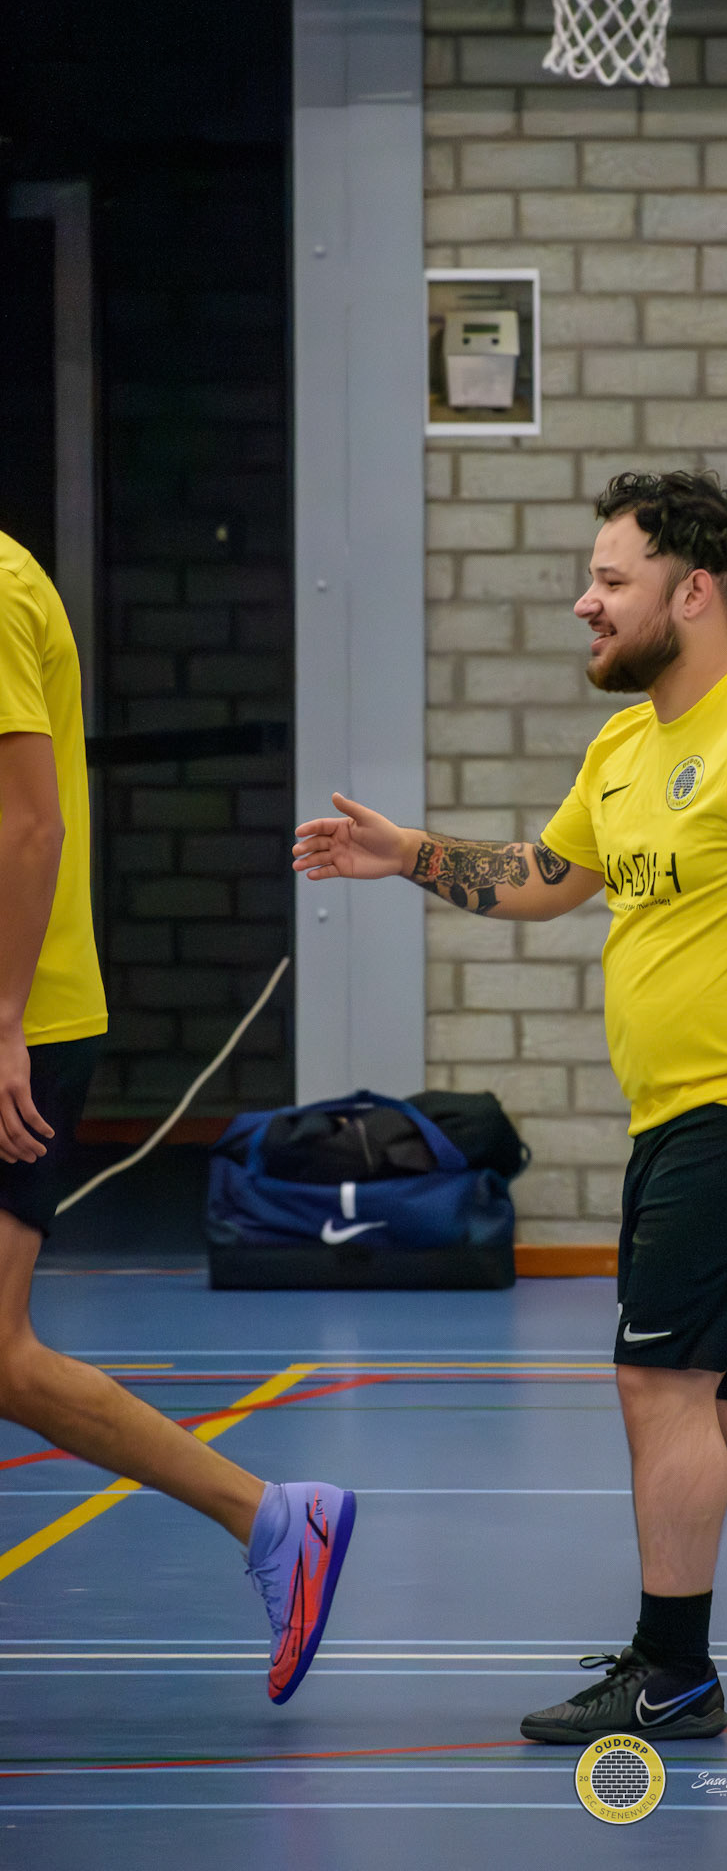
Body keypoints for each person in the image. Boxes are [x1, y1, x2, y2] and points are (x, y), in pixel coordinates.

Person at [294, 469, 727, 1743]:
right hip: (671, 1120)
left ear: (694, 592)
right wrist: (407, 854)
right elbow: (547, 875)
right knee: (709, 1401)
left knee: (656, 1384)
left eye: (611, 579)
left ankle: (676, 1671)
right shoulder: (624, 747)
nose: (585, 601)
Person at [0, 526, 354, 1704]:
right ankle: (273, 1518)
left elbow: (30, 823)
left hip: (23, 1022)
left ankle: (272, 1516)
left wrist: (4, 1021)